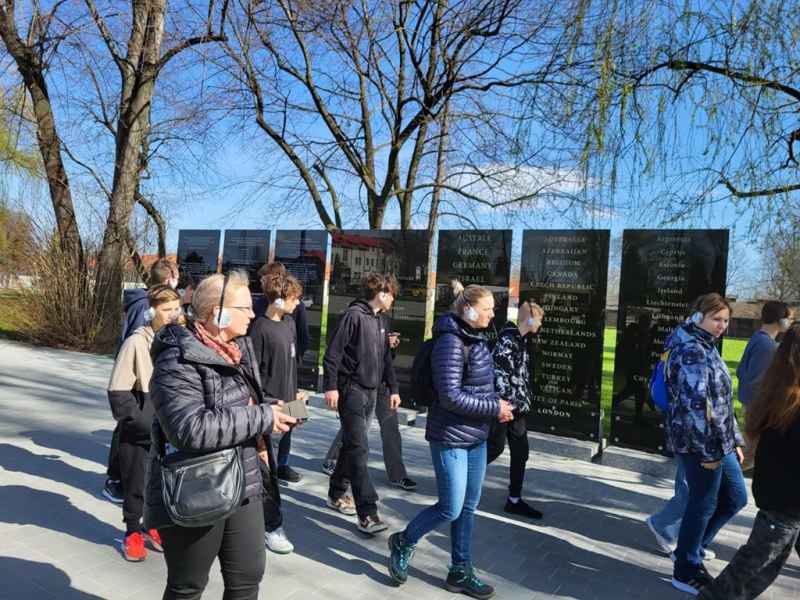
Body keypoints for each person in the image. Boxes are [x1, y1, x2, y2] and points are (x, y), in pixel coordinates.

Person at [145, 271, 296, 600]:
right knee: (188, 586)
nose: (254, 314)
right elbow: (189, 428)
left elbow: (244, 404)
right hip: (198, 484)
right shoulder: (175, 357)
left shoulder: (240, 347)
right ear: (219, 313)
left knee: (247, 579)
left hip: (246, 480)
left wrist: (275, 409)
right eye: (246, 308)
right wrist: (261, 417)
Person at [388, 281, 514, 599]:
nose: (492, 314)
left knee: (468, 508)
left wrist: (499, 404)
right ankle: (404, 540)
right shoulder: (450, 343)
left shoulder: (478, 338)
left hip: (477, 437)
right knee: (450, 507)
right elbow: (450, 396)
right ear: (468, 309)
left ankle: (460, 570)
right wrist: (493, 407)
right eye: (487, 309)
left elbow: (479, 386)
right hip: (450, 437)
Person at [698, 324, 800, 600]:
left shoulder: (780, 390)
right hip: (784, 506)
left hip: (780, 503)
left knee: (752, 576)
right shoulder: (791, 401)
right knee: (744, 577)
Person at [664, 293, 748, 596]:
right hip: (701, 445)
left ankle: (691, 548)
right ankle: (684, 570)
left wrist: (734, 439)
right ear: (699, 317)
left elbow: (721, 401)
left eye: (726, 320)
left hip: (719, 442)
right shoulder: (690, 350)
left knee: (736, 498)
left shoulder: (705, 346)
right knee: (703, 503)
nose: (722, 326)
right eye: (717, 319)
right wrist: (707, 452)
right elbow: (695, 407)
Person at [107, 285, 183, 561]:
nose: (174, 314)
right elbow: (118, 392)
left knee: (161, 486)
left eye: (177, 308)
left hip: (170, 434)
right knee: (137, 485)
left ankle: (153, 527)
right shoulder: (137, 343)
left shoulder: (179, 340)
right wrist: (140, 423)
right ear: (151, 311)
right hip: (140, 433)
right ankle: (132, 532)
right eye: (166, 310)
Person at [323, 272, 400, 534]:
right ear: (381, 293)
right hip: (351, 390)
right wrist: (331, 387)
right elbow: (332, 354)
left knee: (352, 445)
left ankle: (335, 493)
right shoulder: (353, 315)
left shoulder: (382, 319)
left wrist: (393, 388)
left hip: (372, 391)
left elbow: (386, 358)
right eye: (391, 294)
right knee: (360, 449)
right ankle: (367, 513)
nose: (393, 299)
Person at [103, 258, 179, 505]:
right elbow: (136, 344)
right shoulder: (144, 308)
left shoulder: (152, 305)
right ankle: (117, 480)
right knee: (126, 435)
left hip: (148, 388)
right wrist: (137, 413)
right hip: (136, 384)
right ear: (169, 278)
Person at [321, 319, 417, 491]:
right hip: (361, 385)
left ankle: (398, 475)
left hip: (383, 385)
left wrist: (390, 347)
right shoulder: (357, 318)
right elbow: (344, 355)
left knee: (391, 430)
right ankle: (332, 460)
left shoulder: (383, 320)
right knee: (355, 428)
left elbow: (387, 360)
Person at [249, 266, 305, 554]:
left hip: (289, 407)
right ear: (279, 299)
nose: (298, 303)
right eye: (294, 298)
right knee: (266, 473)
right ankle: (272, 526)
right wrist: (268, 405)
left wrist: (298, 409)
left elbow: (291, 368)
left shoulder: (289, 325)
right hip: (269, 413)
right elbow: (253, 375)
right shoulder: (259, 328)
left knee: (269, 471)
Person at [488, 299, 544, 519]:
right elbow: (499, 374)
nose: (540, 324)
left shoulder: (521, 341)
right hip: (507, 408)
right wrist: (509, 403)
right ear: (530, 318)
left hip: (518, 409)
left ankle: (514, 499)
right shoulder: (508, 341)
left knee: (521, 452)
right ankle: (461, 480)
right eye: (539, 319)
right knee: (494, 448)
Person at [254, 262, 311, 364]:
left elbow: (303, 337)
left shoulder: (296, 306)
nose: (262, 284)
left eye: (265, 279)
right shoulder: (259, 303)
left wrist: (293, 359)